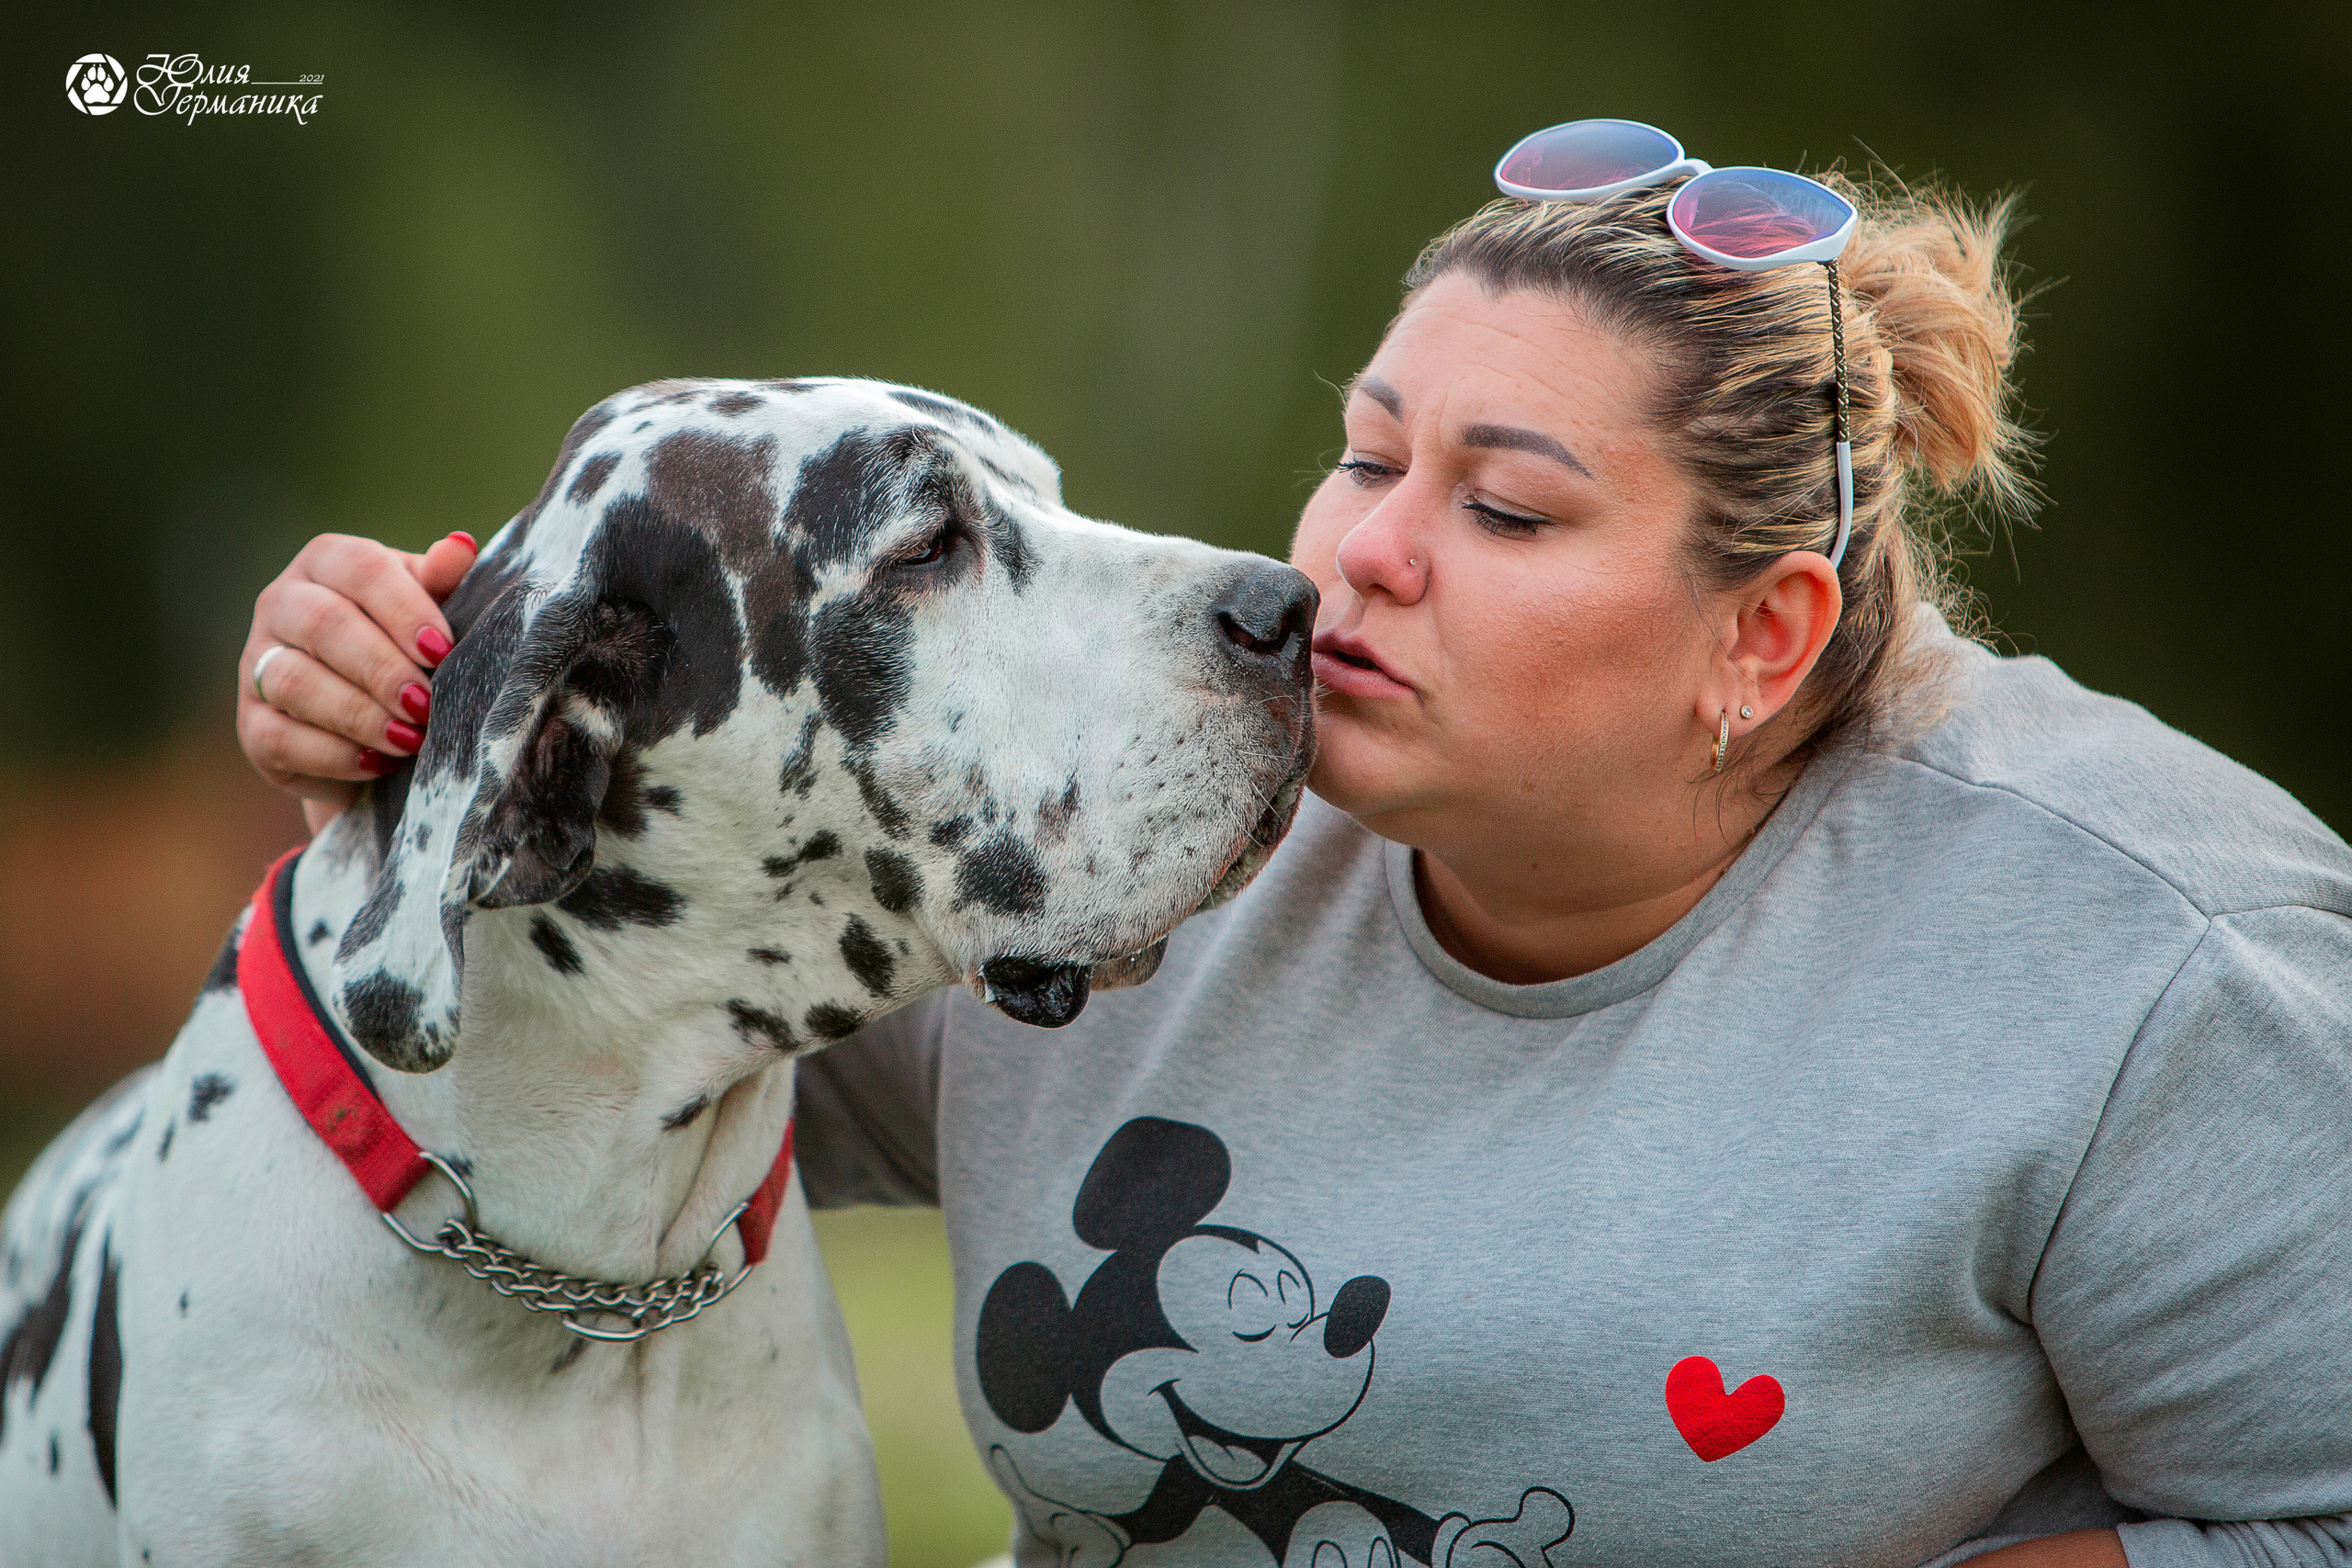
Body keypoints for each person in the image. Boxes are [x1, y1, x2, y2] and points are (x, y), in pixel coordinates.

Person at [233, 123, 2352, 1568]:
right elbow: (576, 1037)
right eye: (1362, 453)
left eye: (1501, 508)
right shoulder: (1114, 831)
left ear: (1760, 634)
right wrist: (399, 712)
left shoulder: (2151, 958)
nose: (1352, 557)